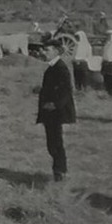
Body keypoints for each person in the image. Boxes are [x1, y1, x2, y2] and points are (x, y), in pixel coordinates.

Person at [37, 39, 77, 181]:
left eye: (47, 50)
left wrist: (54, 105)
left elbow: (66, 90)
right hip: (50, 111)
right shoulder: (51, 68)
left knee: (55, 142)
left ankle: (60, 171)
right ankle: (59, 170)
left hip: (56, 112)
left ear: (56, 51)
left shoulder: (60, 68)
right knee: (52, 142)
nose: (44, 52)